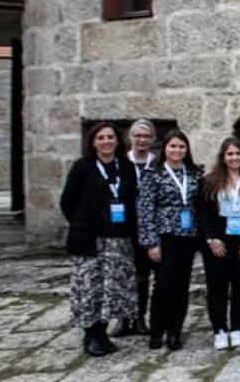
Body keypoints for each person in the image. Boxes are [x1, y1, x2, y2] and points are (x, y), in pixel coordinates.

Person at [61, 122, 140, 356]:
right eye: (101, 137)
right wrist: (81, 224)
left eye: (110, 137)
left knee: (112, 287)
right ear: (93, 142)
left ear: (118, 141)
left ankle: (103, 330)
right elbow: (67, 201)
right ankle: (91, 334)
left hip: (118, 238)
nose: (106, 141)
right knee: (90, 286)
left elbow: (130, 199)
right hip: (89, 239)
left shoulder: (126, 167)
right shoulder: (82, 167)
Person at [137, 129, 202, 350]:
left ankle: (175, 331)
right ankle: (157, 330)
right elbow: (145, 210)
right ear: (164, 148)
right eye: (173, 146)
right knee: (163, 285)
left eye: (181, 146)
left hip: (187, 236)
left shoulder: (194, 173)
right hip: (164, 236)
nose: (177, 150)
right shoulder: (153, 174)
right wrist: (150, 242)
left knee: (181, 286)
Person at [198, 137, 240, 350]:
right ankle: (219, 329)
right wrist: (210, 239)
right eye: (230, 154)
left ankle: (237, 327)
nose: (234, 158)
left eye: (238, 154)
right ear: (223, 157)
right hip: (218, 241)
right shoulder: (209, 181)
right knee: (217, 286)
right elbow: (203, 214)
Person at [118, 118, 157, 337]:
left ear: (152, 139)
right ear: (130, 138)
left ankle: (140, 316)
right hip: (125, 226)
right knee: (123, 273)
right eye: (137, 136)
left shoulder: (157, 163)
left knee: (142, 274)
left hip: (149, 225)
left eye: (146, 136)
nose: (142, 140)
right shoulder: (121, 162)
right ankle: (124, 317)